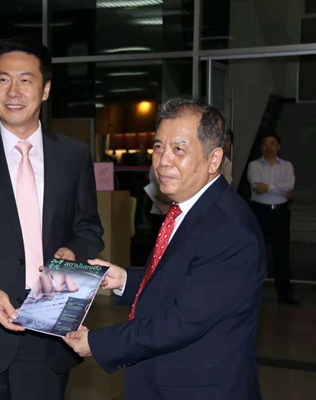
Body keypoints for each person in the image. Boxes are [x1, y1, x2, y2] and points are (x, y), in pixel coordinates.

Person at [63, 98, 266, 400]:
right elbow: (179, 281)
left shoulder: (230, 230)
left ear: (214, 160)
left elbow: (182, 320)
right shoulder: (189, 208)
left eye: (179, 150)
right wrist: (124, 280)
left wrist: (97, 342)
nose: (162, 161)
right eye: (158, 147)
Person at [0, 37, 104, 400]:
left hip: (49, 325)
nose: (13, 91)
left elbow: (89, 228)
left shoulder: (72, 155)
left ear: (45, 89)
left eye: (25, 80)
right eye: (3, 79)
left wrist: (73, 253)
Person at [247, 133, 296, 305]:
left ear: (278, 147)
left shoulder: (287, 166)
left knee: (282, 254)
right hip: (259, 212)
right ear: (261, 148)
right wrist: (280, 189)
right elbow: (257, 188)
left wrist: (268, 187)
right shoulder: (253, 165)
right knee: (257, 253)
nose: (269, 147)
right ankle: (251, 294)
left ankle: (285, 295)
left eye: (272, 143)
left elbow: (290, 185)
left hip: (280, 212)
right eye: (265, 144)